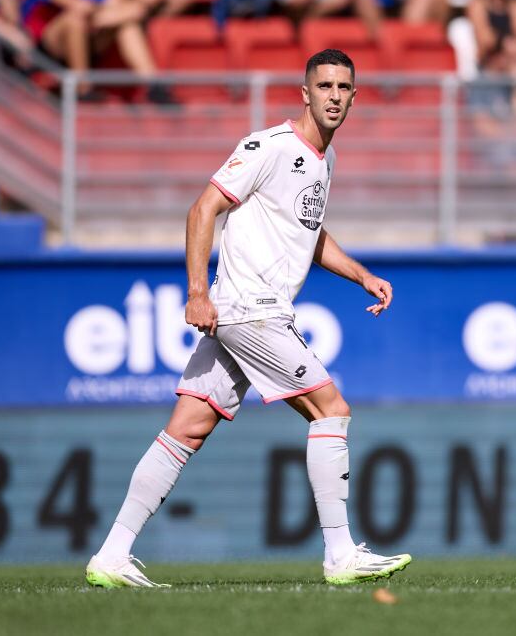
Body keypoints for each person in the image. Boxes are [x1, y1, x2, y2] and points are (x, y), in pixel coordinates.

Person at [85, 49, 412, 589]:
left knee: (187, 428)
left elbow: (308, 233)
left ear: (355, 96)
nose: (334, 95)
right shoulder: (270, 146)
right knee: (331, 409)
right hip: (248, 310)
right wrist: (197, 291)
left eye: (343, 87)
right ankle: (340, 554)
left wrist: (361, 275)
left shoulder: (325, 160)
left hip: (246, 314)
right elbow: (202, 208)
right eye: (324, 85)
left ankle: (111, 554)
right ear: (304, 93)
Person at [21, 0, 169, 101]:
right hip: (42, 52)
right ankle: (82, 88)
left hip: (85, 45)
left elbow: (134, 10)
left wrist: (110, 14)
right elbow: (78, 6)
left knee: (127, 26)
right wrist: (108, 13)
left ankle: (153, 85)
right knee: (74, 21)